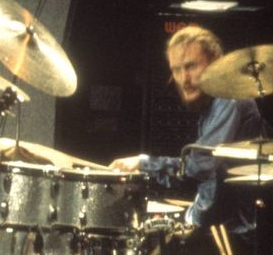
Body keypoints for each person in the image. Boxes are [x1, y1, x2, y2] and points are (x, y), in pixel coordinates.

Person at [111, 25, 266, 233]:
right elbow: (210, 181)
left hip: (234, 234)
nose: (184, 79)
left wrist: (143, 163)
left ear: (216, 61)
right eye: (176, 69)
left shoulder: (229, 99)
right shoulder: (211, 106)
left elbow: (201, 165)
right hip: (216, 226)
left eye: (191, 66)